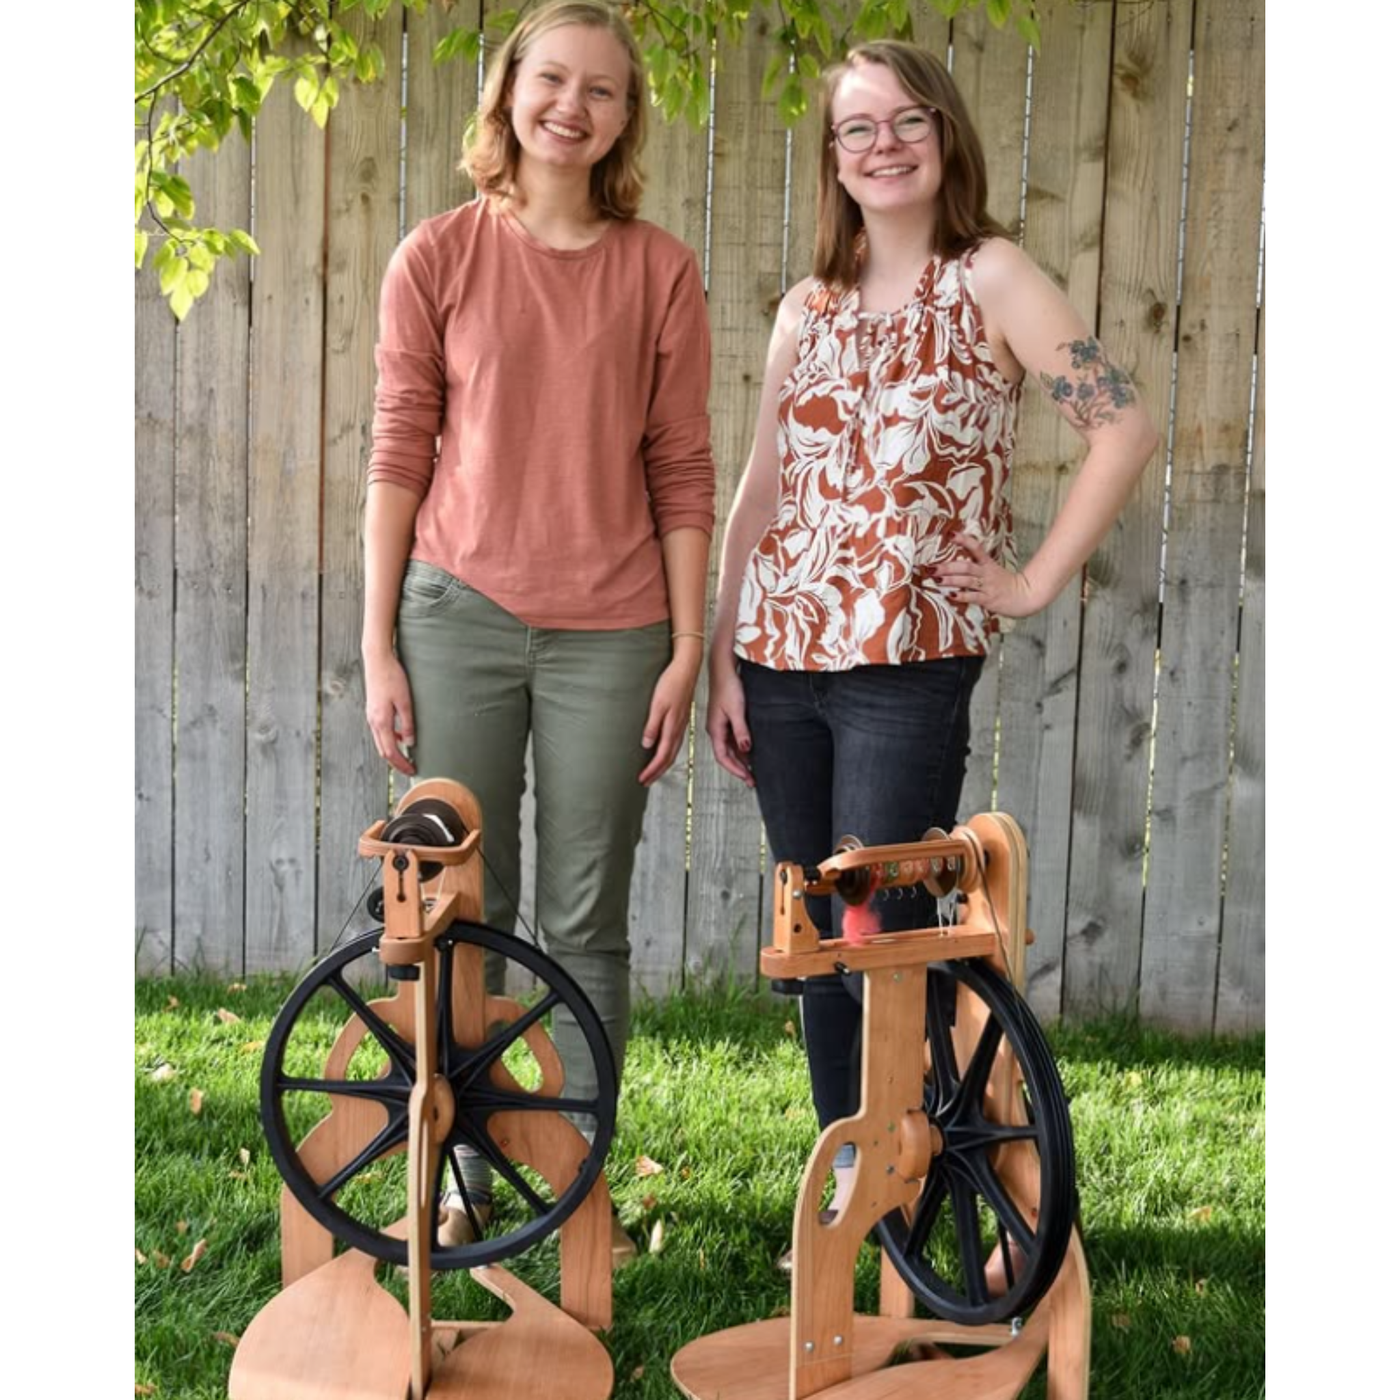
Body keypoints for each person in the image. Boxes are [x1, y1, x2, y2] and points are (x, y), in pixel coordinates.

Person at [705, 40, 1157, 1272]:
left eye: (906, 121)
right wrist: (721, 654)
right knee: (815, 934)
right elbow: (759, 489)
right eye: (857, 129)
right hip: (780, 652)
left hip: (907, 655)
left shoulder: (993, 276)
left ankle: (962, 1168)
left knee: (883, 930)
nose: (883, 144)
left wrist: (1026, 581)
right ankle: (855, 1185)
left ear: (944, 135)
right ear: (833, 160)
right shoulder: (808, 304)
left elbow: (1123, 424)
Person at [362, 0, 714, 1263]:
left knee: (583, 921)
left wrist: (686, 645)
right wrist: (378, 643)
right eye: (550, 79)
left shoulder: (660, 269)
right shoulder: (438, 256)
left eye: (602, 89)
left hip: (613, 633)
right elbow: (399, 448)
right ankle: (463, 1170)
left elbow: (680, 466)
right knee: (457, 908)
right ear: (509, 93)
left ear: (625, 117)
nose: (572, 104)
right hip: (455, 613)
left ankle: (575, 1186)